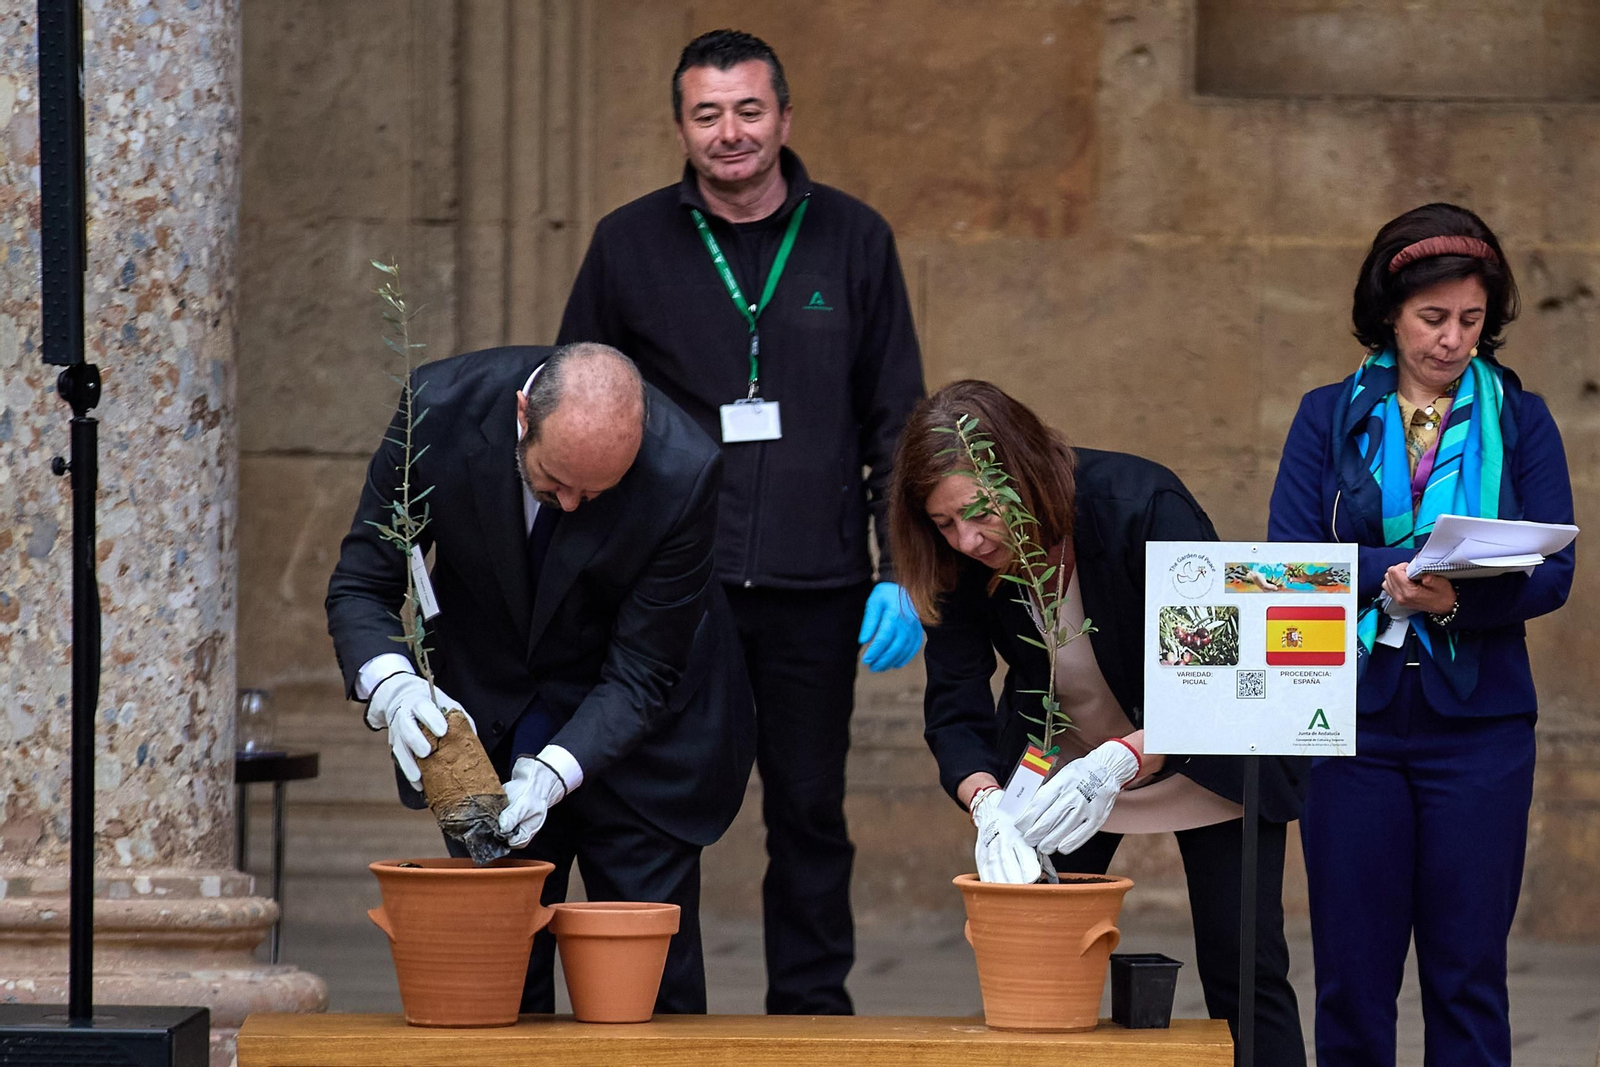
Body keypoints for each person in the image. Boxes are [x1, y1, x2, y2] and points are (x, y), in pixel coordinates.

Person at [555, 29, 926, 1015]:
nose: (730, 132)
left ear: (784, 118)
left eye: (748, 110)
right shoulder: (627, 242)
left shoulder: (854, 238)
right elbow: (574, 405)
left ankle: (811, 1009)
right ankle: (665, 1011)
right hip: (674, 588)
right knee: (658, 808)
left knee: (808, 811)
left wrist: (900, 566)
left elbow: (897, 415)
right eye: (708, 113)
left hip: (816, 585)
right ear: (681, 126)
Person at [326, 342, 756, 1014]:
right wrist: (393, 685)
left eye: (597, 490)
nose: (573, 504)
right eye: (555, 481)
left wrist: (554, 770)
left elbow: (643, 671)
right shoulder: (435, 411)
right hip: (489, 722)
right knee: (499, 987)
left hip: (643, 745)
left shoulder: (685, 470)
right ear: (522, 415)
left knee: (643, 993)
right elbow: (363, 582)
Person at [892, 380, 1306, 1066]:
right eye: (943, 523)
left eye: (976, 512)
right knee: (1038, 969)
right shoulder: (958, 559)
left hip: (1201, 749)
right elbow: (954, 701)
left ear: (1018, 469)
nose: (967, 538)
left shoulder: (1141, 504)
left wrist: (1119, 759)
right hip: (1063, 767)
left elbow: (1217, 679)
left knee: (1245, 964)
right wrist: (987, 801)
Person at [1268, 203, 1575, 1067]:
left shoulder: (1523, 419)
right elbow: (1291, 560)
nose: (1452, 341)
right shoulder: (1327, 414)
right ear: (1389, 314)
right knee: (1353, 979)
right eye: (1432, 319)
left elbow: (1553, 570)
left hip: (1479, 731)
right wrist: (1397, 572)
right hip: (1351, 728)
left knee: (1468, 973)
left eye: (1471, 321)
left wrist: (1447, 600)